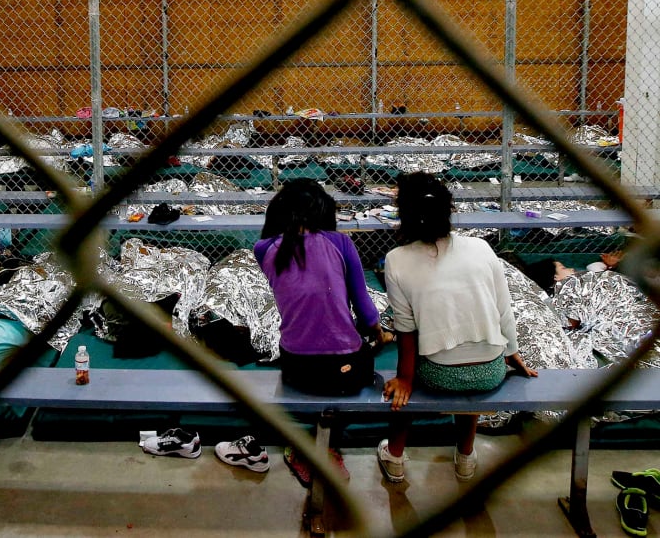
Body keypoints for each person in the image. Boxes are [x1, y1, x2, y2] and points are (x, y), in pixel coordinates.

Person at [212, 179, 383, 483]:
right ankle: (328, 445)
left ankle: (303, 447)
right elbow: (367, 312)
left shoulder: (263, 249)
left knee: (312, 354)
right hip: (348, 371)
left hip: (297, 367)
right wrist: (380, 333)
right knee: (362, 357)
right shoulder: (341, 244)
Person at [378, 171, 538, 484]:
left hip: (440, 374)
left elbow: (406, 332)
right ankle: (465, 455)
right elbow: (503, 309)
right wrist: (511, 353)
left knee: (405, 385)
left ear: (404, 214)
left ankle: (394, 456)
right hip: (490, 371)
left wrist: (404, 379)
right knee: (469, 352)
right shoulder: (481, 247)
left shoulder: (396, 260)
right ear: (448, 211)